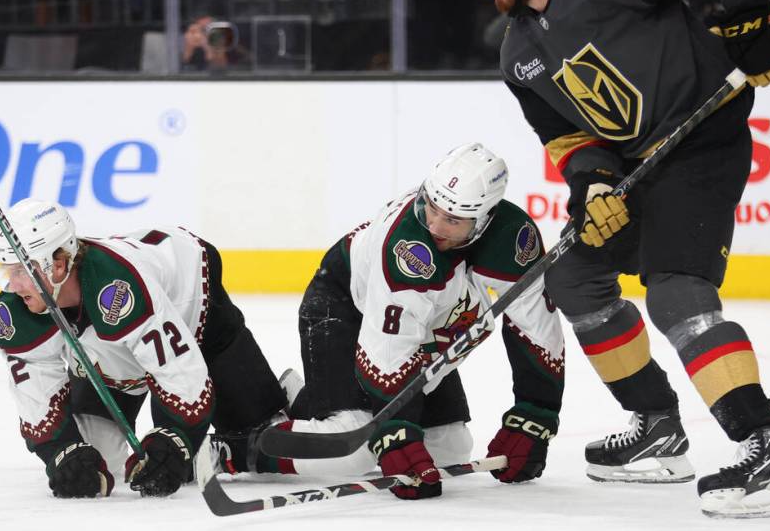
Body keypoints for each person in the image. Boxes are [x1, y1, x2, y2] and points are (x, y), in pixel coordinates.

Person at [465, 0, 770, 518]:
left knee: (677, 293)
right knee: (574, 275)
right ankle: (658, 425)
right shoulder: (516, 52)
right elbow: (568, 137)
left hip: (701, 144)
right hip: (632, 170)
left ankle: (769, 454)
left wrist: (748, 20)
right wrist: (594, 185)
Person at [208, 143, 565, 500]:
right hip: (345, 307)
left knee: (449, 447)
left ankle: (307, 400)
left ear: (485, 218)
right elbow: (389, 346)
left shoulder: (514, 240)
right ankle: (233, 451)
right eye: (431, 207)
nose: (435, 225)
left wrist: (536, 412)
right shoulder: (409, 248)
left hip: (426, 327)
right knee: (355, 447)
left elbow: (536, 327)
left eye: (453, 220)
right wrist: (396, 431)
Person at [0, 198, 286, 498]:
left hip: (194, 309)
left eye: (22, 272)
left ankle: (260, 417)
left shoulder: (119, 288)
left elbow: (181, 374)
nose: (12, 287)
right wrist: (61, 452)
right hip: (112, 362)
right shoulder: (14, 315)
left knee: (262, 436)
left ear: (59, 264)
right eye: (7, 272)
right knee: (95, 457)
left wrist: (175, 438)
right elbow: (36, 399)